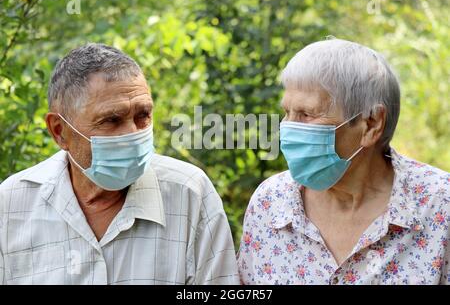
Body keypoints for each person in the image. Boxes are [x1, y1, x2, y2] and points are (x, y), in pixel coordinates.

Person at [0, 43, 239, 285]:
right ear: (60, 132)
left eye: (142, 115)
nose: (133, 134)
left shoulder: (189, 193)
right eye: (112, 120)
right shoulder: (11, 205)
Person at [237, 38, 450, 285]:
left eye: (306, 114)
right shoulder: (270, 203)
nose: (289, 129)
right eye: (287, 113)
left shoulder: (439, 206)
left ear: (371, 124)